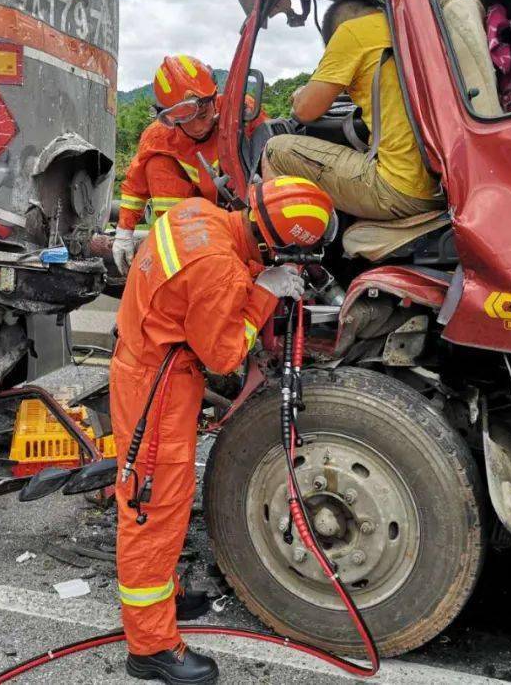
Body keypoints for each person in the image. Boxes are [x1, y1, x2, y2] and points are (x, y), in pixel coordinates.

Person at [111, 177, 335, 684]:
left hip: (150, 365)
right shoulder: (220, 271)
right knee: (153, 507)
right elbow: (225, 353)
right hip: (159, 384)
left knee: (162, 501)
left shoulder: (199, 214)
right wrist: (261, 294)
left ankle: (160, 599)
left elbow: (208, 278)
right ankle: (150, 647)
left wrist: (256, 274)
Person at [264, 0, 444, 221]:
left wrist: (300, 93)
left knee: (275, 149)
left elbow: (304, 111)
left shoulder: (353, 31)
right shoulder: (408, 25)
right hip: (440, 186)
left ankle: (284, 244)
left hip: (400, 188)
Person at [113, 55, 266, 274]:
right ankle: (182, 250)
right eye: (185, 120)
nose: (196, 127)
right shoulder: (159, 136)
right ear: (169, 118)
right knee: (156, 165)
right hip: (195, 219)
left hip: (244, 211)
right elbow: (135, 188)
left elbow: (272, 158)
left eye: (202, 115)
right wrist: (124, 233)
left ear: (214, 98)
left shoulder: (241, 113)